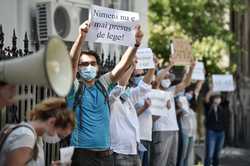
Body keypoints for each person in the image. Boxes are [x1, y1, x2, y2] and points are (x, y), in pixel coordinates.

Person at [66, 20, 144, 166]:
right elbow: (71, 63)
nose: (89, 67)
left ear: (97, 67)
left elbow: (121, 66)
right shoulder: (74, 88)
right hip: (82, 156)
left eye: (92, 63)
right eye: (84, 64)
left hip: (107, 156)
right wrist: (81, 36)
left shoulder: (103, 84)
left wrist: (135, 44)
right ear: (79, 68)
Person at [0, 97, 75, 166]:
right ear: (52, 122)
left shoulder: (35, 137)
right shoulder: (26, 136)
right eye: (59, 135)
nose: (58, 139)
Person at [150, 58, 195, 166]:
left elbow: (186, 82)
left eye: (169, 78)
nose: (167, 79)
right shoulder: (154, 89)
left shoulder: (171, 91)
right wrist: (170, 65)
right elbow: (157, 80)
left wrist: (192, 69)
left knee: (171, 162)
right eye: (165, 77)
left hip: (174, 130)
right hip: (161, 131)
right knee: (159, 162)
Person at [109, 61, 154, 166]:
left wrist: (152, 67)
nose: (130, 75)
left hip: (134, 150)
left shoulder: (128, 95)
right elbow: (120, 86)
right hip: (119, 152)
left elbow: (144, 87)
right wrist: (132, 65)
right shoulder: (110, 96)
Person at [204, 89, 226, 166]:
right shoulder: (209, 106)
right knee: (209, 154)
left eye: (219, 98)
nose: (218, 99)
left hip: (221, 133)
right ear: (213, 99)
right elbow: (206, 98)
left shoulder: (222, 106)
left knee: (217, 155)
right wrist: (211, 90)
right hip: (211, 132)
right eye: (216, 97)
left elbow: (226, 95)